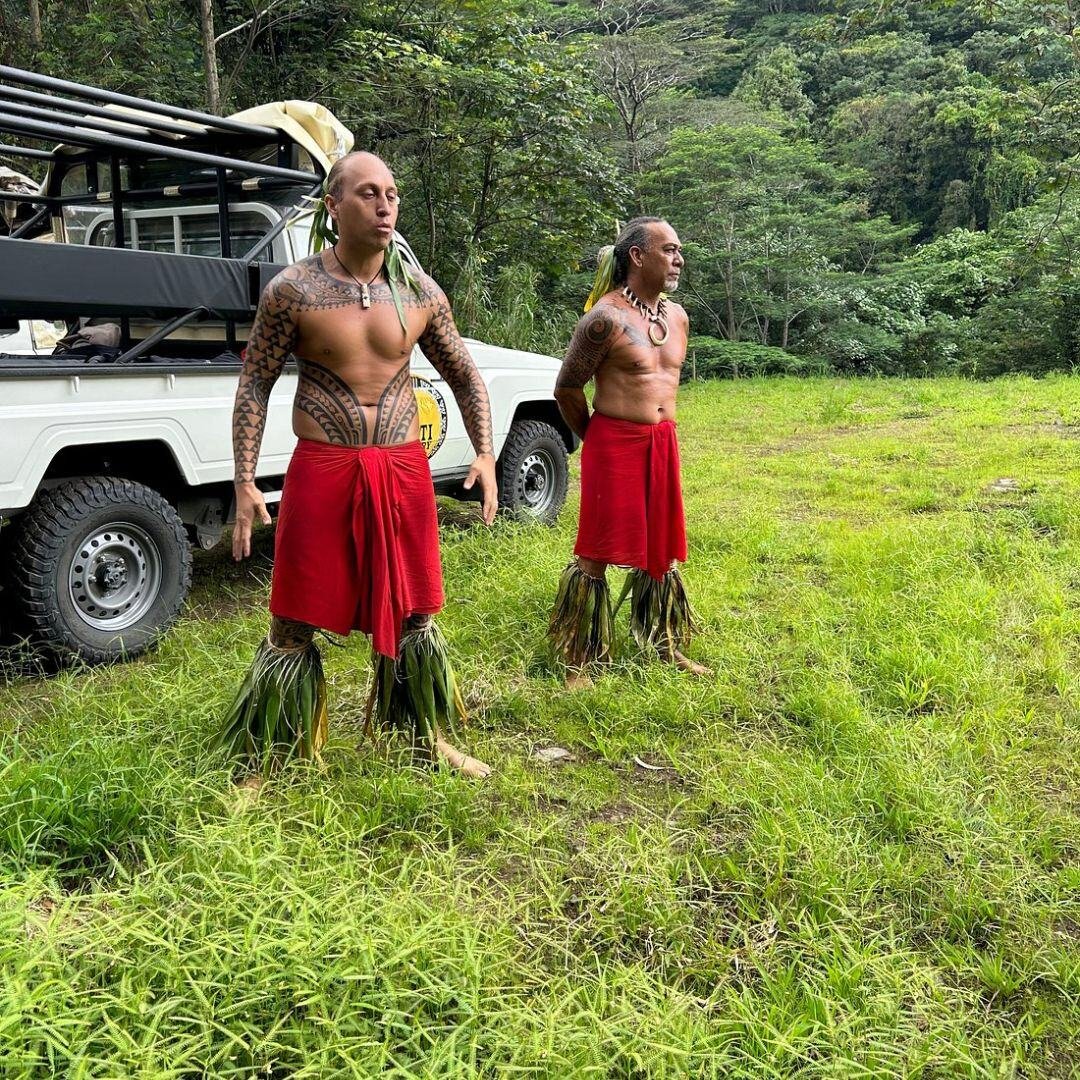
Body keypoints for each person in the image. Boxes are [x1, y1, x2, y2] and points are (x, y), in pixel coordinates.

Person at [219, 151, 496, 778]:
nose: (385, 204)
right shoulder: (293, 290)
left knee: (415, 610)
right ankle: (274, 751)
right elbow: (254, 385)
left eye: (392, 193)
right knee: (293, 615)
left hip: (402, 471)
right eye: (368, 192)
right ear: (332, 206)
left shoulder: (420, 292)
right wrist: (244, 480)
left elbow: (464, 374)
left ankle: (426, 737)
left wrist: (483, 451)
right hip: (324, 468)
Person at [549, 216, 708, 687]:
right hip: (614, 442)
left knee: (662, 547)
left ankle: (665, 643)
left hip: (663, 442)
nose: (679, 258)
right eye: (669, 249)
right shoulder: (604, 318)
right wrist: (597, 437)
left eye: (679, 250)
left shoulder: (677, 316)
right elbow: (568, 387)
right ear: (637, 256)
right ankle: (580, 658)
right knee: (596, 552)